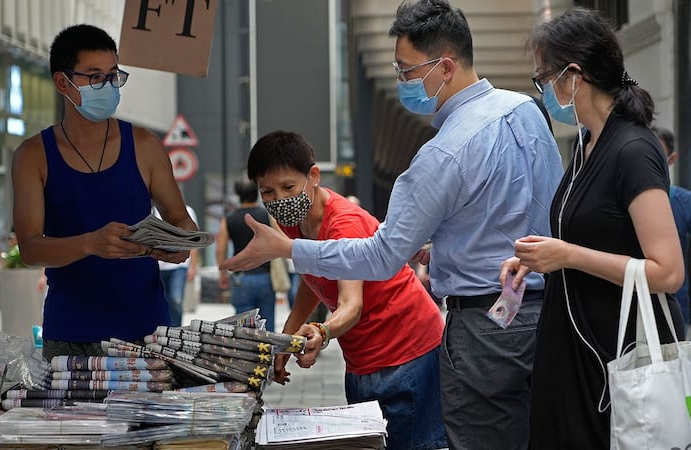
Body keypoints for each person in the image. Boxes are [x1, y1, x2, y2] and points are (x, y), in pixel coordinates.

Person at [221, 1, 563, 448]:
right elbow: (526, 216)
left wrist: (287, 250)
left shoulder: (443, 153)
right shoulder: (527, 111)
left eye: (405, 71)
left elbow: (379, 257)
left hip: (485, 329)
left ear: (444, 66)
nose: (401, 82)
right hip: (545, 315)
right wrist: (443, 249)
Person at [498, 8, 685, 448]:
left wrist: (566, 256)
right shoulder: (586, 144)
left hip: (614, 357)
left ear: (574, 76)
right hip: (575, 350)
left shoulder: (633, 149)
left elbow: (668, 271)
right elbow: (590, 235)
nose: (543, 91)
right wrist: (543, 257)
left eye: (544, 78)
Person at [11, 24, 197, 361]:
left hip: (146, 332)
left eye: (113, 76)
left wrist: (178, 245)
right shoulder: (33, 156)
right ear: (62, 82)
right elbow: (30, 248)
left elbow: (181, 220)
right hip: (70, 334)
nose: (107, 86)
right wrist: (90, 243)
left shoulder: (144, 146)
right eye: (95, 77)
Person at [251, 130, 447, 450]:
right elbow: (312, 278)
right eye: (267, 192)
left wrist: (320, 331)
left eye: (288, 187)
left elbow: (351, 304)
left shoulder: (344, 224)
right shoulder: (293, 220)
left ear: (313, 176)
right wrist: (285, 340)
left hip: (406, 351)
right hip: (361, 358)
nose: (279, 200)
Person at [216, 179, 276, 332]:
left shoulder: (229, 219)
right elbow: (279, 240)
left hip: (240, 278)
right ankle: (270, 353)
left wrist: (222, 273)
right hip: (265, 275)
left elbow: (220, 249)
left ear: (238, 195)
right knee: (267, 323)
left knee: (243, 327)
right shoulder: (267, 216)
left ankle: (246, 354)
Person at [654, 126, 691, 327]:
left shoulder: (684, 202)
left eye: (658, 154)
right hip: (633, 304)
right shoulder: (621, 201)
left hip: (675, 307)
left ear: (672, 159)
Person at [153, 204, 199, 327]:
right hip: (159, 265)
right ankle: (164, 329)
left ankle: (176, 329)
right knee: (160, 301)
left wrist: (193, 266)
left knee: (176, 299)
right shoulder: (154, 212)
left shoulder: (188, 211)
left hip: (179, 266)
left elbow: (194, 240)